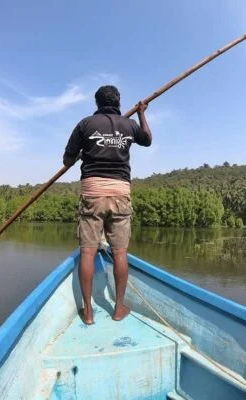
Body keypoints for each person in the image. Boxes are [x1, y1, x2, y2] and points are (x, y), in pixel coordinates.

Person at [63, 85, 152, 325]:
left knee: (88, 252)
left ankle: (89, 313)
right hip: (121, 194)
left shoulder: (85, 125)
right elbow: (147, 139)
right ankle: (118, 308)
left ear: (97, 102)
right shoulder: (129, 125)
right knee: (120, 252)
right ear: (119, 102)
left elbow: (67, 159)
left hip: (92, 194)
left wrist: (81, 153)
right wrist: (142, 113)